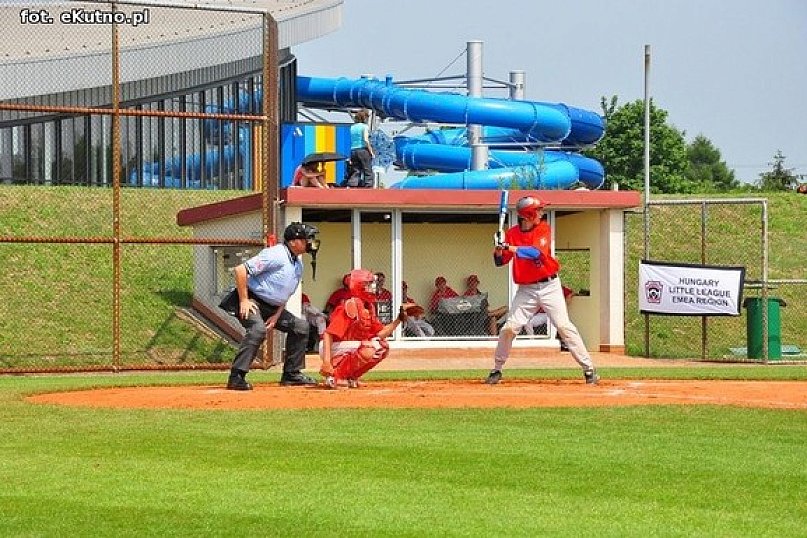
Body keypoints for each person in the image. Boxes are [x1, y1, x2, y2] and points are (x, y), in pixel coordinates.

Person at [485, 196, 599, 385]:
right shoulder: (512, 234)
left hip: (549, 286)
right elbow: (500, 262)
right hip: (526, 290)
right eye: (537, 210)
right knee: (509, 328)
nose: (541, 213)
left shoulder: (543, 228)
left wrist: (507, 246)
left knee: (564, 327)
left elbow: (535, 253)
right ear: (528, 214)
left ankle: (589, 370)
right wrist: (498, 249)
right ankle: (496, 370)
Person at [219, 222, 321, 390]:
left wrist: (276, 314)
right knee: (258, 329)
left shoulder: (298, 264)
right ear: (293, 241)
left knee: (301, 327)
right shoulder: (276, 254)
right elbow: (240, 270)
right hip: (251, 300)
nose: (311, 242)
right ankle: (236, 376)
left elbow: (285, 293)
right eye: (306, 239)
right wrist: (244, 300)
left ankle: (291, 374)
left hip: (272, 307)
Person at [319, 269, 412, 388]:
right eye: (368, 284)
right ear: (359, 286)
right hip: (331, 346)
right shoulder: (350, 305)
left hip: (346, 346)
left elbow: (380, 334)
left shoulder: (367, 306)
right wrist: (327, 362)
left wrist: (399, 319)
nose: (372, 288)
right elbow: (328, 334)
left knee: (382, 347)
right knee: (370, 348)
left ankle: (351, 377)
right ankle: (336, 376)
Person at [524, 285, 575, 352]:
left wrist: (565, 304)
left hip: (552, 313)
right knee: (527, 321)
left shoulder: (558, 287)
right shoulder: (538, 288)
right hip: (542, 314)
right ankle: (532, 339)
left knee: (553, 318)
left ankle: (552, 340)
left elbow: (571, 292)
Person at [346, 109, 374, 188]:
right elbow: (365, 139)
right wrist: (371, 151)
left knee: (356, 170)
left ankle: (352, 185)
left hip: (354, 150)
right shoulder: (364, 126)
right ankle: (368, 186)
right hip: (363, 150)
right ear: (364, 118)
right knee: (367, 169)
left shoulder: (352, 127)